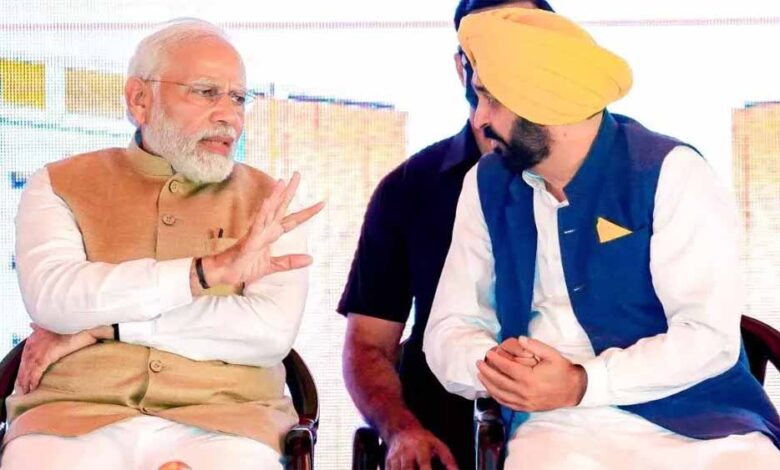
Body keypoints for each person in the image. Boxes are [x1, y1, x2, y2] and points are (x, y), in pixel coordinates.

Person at [424, 7, 780, 469]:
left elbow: (708, 337)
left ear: (542, 102)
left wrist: (582, 381)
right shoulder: (486, 183)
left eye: (491, 99)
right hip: (555, 425)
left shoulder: (672, 172)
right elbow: (448, 328)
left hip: (700, 416)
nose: (479, 119)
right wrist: (502, 369)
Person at [2, 19, 322, 470]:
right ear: (140, 99)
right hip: (70, 417)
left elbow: (267, 333)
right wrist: (203, 275)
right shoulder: (57, 183)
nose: (229, 116)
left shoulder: (273, 204)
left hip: (229, 423)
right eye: (207, 92)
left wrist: (104, 328)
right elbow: (56, 300)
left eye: (237, 98)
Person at [338, 1, 552, 468]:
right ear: (462, 67)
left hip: (580, 418)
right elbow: (368, 344)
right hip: (443, 434)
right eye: (488, 47)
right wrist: (401, 430)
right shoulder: (408, 189)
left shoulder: (619, 177)